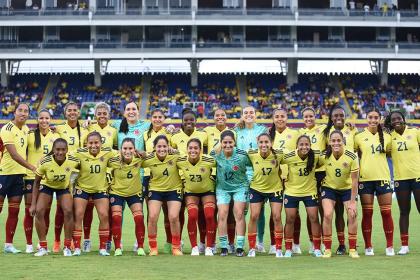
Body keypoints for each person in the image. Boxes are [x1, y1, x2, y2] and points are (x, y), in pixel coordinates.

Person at [29, 138, 80, 257]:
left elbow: (82, 171)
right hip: (47, 186)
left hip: (63, 188)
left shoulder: (74, 161)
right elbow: (36, 183)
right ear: (53, 150)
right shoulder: (45, 162)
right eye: (57, 149)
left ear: (67, 150)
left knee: (68, 211)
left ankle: (67, 246)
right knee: (39, 211)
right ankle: (43, 247)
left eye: (63, 150)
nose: (60, 152)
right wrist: (33, 204)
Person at [354, 108, 394, 256]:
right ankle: (368, 247)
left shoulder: (388, 136)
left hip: (383, 177)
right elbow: (356, 155)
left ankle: (389, 246)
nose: (373, 120)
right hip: (365, 179)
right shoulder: (358, 136)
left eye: (376, 117)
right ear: (366, 119)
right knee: (367, 213)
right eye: (370, 117)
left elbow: (389, 153)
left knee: (387, 213)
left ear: (380, 119)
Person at [71, 132, 118, 256]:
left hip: (100, 189)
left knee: (103, 215)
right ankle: (76, 247)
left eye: (96, 142)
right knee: (79, 214)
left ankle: (102, 248)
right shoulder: (79, 152)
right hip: (82, 188)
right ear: (86, 143)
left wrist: (139, 152)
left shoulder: (108, 152)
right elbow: (64, 156)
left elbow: (124, 153)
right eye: (91, 143)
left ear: (101, 143)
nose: (93, 145)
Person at [0, 103, 35, 254]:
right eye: (20, 110)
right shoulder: (7, 129)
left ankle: (9, 245)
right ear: (14, 113)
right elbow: (14, 155)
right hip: (3, 175)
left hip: (19, 176)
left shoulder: (26, 130)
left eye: (26, 111)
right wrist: (32, 167)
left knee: (14, 212)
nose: (23, 113)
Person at [322, 105, 356, 255]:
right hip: (329, 187)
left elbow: (355, 181)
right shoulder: (324, 154)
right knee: (329, 214)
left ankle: (353, 248)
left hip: (347, 187)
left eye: (339, 140)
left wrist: (354, 201)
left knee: (352, 213)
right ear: (329, 142)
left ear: (343, 141)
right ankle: (330, 248)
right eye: (333, 141)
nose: (336, 143)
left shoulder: (352, 154)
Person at [83, 102, 118, 252]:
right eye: (99, 113)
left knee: (107, 211)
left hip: (107, 176)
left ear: (109, 115)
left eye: (105, 113)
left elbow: (116, 150)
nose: (102, 116)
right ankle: (86, 239)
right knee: (87, 210)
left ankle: (107, 240)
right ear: (95, 115)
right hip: (88, 174)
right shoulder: (89, 127)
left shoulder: (113, 131)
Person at [23, 109, 59, 253]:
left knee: (44, 213)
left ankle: (41, 242)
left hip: (47, 179)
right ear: (37, 120)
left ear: (51, 120)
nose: (44, 121)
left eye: (47, 118)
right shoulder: (30, 135)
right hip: (31, 177)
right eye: (41, 118)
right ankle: (29, 244)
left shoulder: (55, 135)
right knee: (29, 212)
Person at [54, 101, 88, 253]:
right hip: (64, 173)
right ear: (65, 112)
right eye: (70, 110)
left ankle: (74, 241)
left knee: (76, 210)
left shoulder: (86, 128)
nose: (73, 112)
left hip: (81, 173)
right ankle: (56, 240)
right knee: (61, 209)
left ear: (79, 113)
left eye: (75, 110)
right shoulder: (59, 128)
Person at [385, 111, 420, 255]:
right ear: (390, 122)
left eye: (399, 118)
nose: (396, 121)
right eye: (393, 119)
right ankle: (404, 245)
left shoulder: (415, 132)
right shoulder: (389, 137)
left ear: (404, 119)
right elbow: (386, 153)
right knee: (404, 211)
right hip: (400, 178)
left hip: (417, 176)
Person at [281, 135, 323, 258]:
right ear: (297, 146)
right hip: (292, 192)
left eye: (307, 144)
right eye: (301, 144)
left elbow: (324, 161)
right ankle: (288, 249)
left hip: (310, 192)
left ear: (310, 145)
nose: (304, 147)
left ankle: (316, 248)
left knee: (314, 218)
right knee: (290, 219)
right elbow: (276, 160)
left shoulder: (315, 155)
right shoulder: (289, 156)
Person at [210, 130, 250, 257]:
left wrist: (251, 179)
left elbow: (255, 165)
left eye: (230, 142)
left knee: (239, 213)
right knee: (222, 214)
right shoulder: (215, 154)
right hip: (222, 188)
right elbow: (204, 161)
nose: (228, 145)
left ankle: (239, 247)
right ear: (220, 143)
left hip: (240, 187)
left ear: (235, 142)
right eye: (225, 142)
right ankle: (223, 247)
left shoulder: (243, 155)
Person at [141, 135, 183, 256]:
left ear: (168, 146)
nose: (162, 149)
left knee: (173, 217)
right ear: (154, 148)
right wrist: (140, 153)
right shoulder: (149, 159)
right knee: (153, 216)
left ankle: (176, 247)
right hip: (156, 190)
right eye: (159, 146)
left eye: (164, 146)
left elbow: (187, 157)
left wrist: (177, 151)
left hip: (174, 189)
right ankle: (153, 247)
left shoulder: (175, 156)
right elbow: (136, 161)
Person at [234, 106, 267, 253]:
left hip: (257, 172)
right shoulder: (237, 131)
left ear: (255, 115)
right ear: (242, 115)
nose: (248, 115)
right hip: (241, 174)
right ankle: (238, 241)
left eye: (251, 113)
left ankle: (259, 242)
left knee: (259, 210)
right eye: (245, 113)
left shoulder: (261, 130)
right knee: (241, 210)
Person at [176, 138, 216, 256]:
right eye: (190, 148)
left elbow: (223, 162)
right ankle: (194, 247)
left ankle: (209, 247)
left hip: (207, 191)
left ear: (200, 150)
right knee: (192, 215)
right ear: (187, 149)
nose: (193, 150)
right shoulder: (181, 161)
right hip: (191, 192)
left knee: (209, 215)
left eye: (196, 148)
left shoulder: (209, 160)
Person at [203, 108, 236, 254]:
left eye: (223, 115)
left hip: (228, 177)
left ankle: (231, 242)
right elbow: (196, 143)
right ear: (213, 117)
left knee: (230, 214)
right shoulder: (207, 131)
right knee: (213, 212)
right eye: (217, 115)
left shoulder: (233, 132)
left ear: (227, 117)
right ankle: (212, 242)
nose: (220, 117)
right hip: (211, 176)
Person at [247, 133, 284, 258]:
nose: (264, 145)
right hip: (257, 189)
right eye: (261, 142)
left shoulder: (278, 154)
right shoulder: (251, 154)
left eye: (266, 142)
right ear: (257, 143)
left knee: (277, 217)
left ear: (271, 143)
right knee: (254, 216)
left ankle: (278, 249)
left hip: (275, 189)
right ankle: (252, 248)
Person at [268, 107, 299, 254]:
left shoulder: (295, 133)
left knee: (294, 213)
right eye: (277, 116)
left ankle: (295, 243)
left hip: (293, 178)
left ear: (287, 118)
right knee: (275, 214)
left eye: (283, 116)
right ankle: (274, 244)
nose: (280, 119)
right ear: (273, 119)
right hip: (274, 179)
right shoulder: (268, 134)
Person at [142, 108, 173, 253]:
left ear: (164, 118)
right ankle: (151, 244)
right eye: (155, 117)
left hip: (167, 175)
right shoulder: (145, 135)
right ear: (151, 118)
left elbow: (174, 151)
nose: (157, 119)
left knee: (169, 212)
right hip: (149, 175)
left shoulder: (169, 133)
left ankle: (169, 241)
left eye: (160, 117)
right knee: (152, 213)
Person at [108, 138, 145, 256]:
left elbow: (155, 155)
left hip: (134, 193)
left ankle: (140, 247)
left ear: (135, 150)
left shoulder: (139, 159)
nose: (127, 151)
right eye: (125, 148)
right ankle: (118, 248)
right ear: (120, 150)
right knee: (116, 218)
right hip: (117, 193)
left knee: (139, 218)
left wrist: (144, 153)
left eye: (130, 148)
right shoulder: (113, 161)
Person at [297, 107, 326, 254]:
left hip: (321, 173)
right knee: (311, 212)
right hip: (307, 175)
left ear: (316, 116)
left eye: (311, 116)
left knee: (322, 210)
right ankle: (312, 242)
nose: (308, 119)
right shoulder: (299, 133)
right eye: (305, 117)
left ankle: (322, 242)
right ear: (302, 119)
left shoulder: (323, 129)